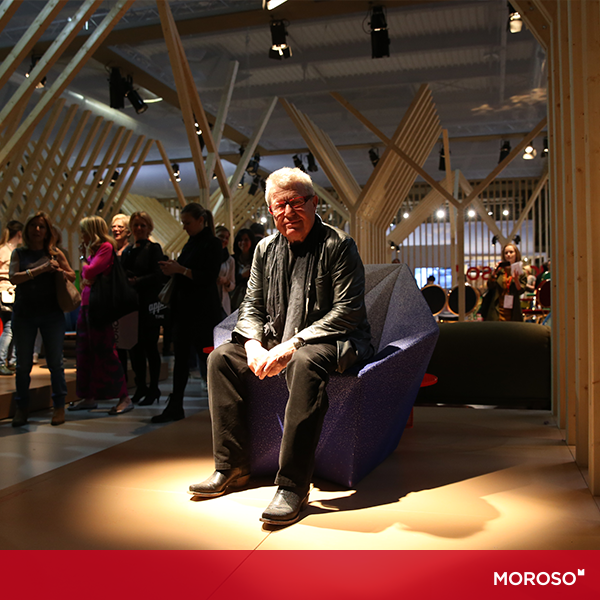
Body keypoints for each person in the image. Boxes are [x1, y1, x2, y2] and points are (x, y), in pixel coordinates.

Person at [188, 167, 373, 526]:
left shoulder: (339, 245)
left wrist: (293, 343)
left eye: (296, 202)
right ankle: (232, 467)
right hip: (277, 338)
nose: (288, 212)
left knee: (304, 361)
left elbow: (347, 312)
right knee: (223, 358)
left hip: (334, 340)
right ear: (271, 211)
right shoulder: (263, 249)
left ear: (314, 203)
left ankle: (292, 484)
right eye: (279, 205)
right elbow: (251, 305)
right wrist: (255, 344)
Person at [152, 203, 223, 423]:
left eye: (187, 223)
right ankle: (176, 405)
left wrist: (180, 269)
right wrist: (175, 269)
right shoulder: (193, 242)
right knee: (182, 360)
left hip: (202, 313)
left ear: (201, 220)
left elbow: (208, 276)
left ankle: (222, 406)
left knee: (208, 360)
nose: (185, 227)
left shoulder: (212, 243)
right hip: (186, 312)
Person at [8, 212, 75, 427]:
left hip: (51, 314)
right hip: (24, 314)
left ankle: (59, 406)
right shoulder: (19, 253)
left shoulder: (55, 253)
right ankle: (22, 407)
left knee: (55, 363)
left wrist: (60, 270)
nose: (37, 230)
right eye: (34, 226)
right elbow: (13, 277)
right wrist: (40, 270)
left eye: (42, 227)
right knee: (23, 364)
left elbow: (73, 275)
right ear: (27, 230)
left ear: (47, 231)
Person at [68, 216, 133, 416]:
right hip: (88, 305)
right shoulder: (95, 251)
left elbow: (88, 272)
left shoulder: (105, 247)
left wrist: (83, 262)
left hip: (99, 307)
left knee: (105, 352)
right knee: (85, 352)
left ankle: (124, 397)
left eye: (84, 231)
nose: (82, 235)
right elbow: (86, 278)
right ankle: (89, 396)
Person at [120, 212, 165, 405]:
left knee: (150, 348)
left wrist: (137, 281)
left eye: (142, 225)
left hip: (148, 305)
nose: (139, 229)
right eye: (136, 225)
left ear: (149, 228)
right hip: (131, 305)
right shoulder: (128, 250)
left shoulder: (154, 248)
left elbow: (159, 275)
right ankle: (140, 386)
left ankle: (153, 387)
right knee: (134, 349)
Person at [479, 243, 528, 322]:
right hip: (497, 308)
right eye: (506, 253)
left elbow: (521, 290)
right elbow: (490, 285)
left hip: (513, 309)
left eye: (511, 252)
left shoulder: (521, 271)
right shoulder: (500, 270)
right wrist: (494, 273)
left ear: (516, 254)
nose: (508, 255)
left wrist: (516, 279)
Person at [0, 221, 23, 376]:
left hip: (14, 293)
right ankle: (1, 361)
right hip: (5, 293)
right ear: (19, 234)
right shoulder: (4, 251)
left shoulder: (15, 251)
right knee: (9, 328)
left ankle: (12, 360)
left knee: (15, 327)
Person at [230, 228, 256, 311]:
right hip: (234, 301)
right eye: (240, 240)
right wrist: (242, 276)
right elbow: (231, 280)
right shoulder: (232, 260)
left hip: (253, 302)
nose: (243, 243)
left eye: (246, 240)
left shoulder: (256, 260)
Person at [215, 225, 236, 317]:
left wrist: (226, 281)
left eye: (227, 238)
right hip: (208, 301)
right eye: (221, 236)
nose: (224, 240)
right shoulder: (207, 256)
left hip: (223, 302)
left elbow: (232, 285)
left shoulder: (230, 260)